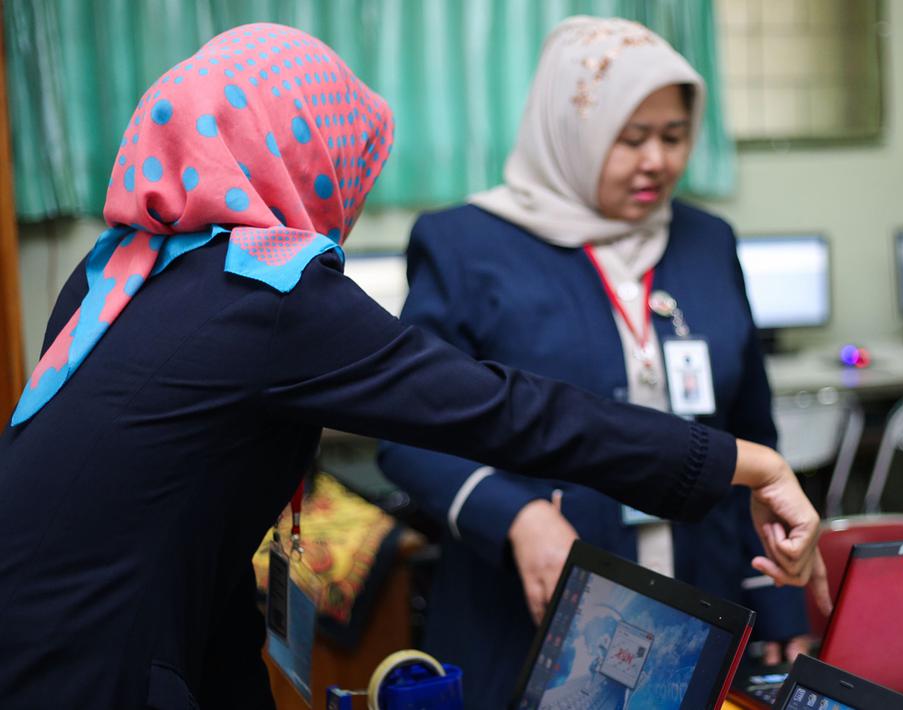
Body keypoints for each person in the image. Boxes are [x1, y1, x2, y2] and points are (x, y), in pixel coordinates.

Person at [0, 23, 824, 709]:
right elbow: (498, 410)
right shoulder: (267, 295)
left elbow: (182, 530)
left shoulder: (122, 268)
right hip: (95, 670)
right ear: (307, 155)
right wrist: (741, 464)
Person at [378, 17, 823, 709]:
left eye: (673, 137)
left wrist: (779, 597)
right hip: (526, 611)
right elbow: (405, 431)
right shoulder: (465, 244)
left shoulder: (707, 240)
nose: (655, 161)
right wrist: (514, 515)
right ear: (570, 131)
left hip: (699, 597)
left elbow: (750, 432)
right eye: (629, 137)